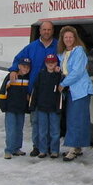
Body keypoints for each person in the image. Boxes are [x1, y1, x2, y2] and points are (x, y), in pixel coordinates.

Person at [9, 21, 58, 157]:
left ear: (52, 31)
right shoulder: (31, 47)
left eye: (49, 29)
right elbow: (18, 59)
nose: (46, 32)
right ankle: (37, 146)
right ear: (40, 31)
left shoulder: (58, 46)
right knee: (36, 120)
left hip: (51, 90)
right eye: (44, 29)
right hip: (35, 90)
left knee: (51, 121)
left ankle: (49, 147)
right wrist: (13, 70)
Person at [57, 26, 93, 161]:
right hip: (72, 90)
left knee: (75, 119)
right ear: (62, 39)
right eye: (65, 37)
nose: (68, 39)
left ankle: (72, 149)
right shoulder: (63, 53)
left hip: (80, 90)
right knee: (75, 118)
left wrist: (63, 84)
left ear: (75, 38)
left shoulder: (79, 52)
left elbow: (77, 72)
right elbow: (64, 69)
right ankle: (77, 147)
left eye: (70, 37)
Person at [29, 54, 63, 159]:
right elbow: (35, 91)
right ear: (45, 63)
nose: (51, 64)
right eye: (49, 62)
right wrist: (32, 105)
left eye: (53, 62)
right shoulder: (41, 74)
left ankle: (54, 150)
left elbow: (62, 93)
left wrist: (60, 108)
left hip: (54, 108)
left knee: (55, 131)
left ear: (56, 63)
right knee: (42, 131)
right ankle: (42, 150)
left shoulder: (59, 76)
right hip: (42, 108)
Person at [0, 57, 31, 159]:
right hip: (10, 108)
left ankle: (17, 148)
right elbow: (3, 92)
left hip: (20, 108)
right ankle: (8, 150)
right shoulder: (11, 77)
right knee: (11, 129)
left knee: (19, 129)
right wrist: (3, 105)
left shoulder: (28, 78)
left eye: (28, 67)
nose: (26, 69)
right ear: (19, 66)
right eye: (23, 66)